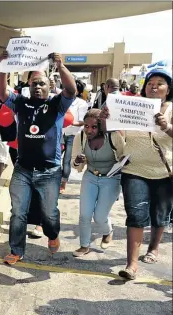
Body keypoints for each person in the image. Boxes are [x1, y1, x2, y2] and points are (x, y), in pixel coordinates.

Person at [0, 50, 76, 265]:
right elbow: (2, 93)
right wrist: (2, 67)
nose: (38, 87)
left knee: (49, 214)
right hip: (23, 169)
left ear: (50, 86)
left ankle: (53, 234)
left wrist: (60, 66)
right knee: (18, 212)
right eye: (34, 84)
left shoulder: (57, 105)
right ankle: (16, 250)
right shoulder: (21, 103)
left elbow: (71, 89)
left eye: (42, 84)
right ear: (28, 86)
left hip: (49, 171)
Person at [100, 66, 173, 280]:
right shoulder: (132, 105)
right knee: (136, 214)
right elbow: (109, 130)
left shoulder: (171, 109)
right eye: (150, 83)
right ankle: (131, 265)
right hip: (134, 169)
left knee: (160, 214)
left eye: (159, 84)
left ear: (167, 89)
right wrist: (106, 118)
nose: (153, 87)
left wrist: (167, 126)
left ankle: (153, 248)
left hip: (164, 172)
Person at [71, 109, 124, 257]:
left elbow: (124, 157)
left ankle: (108, 232)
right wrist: (77, 161)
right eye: (86, 126)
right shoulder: (80, 137)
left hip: (111, 179)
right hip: (90, 176)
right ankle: (84, 245)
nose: (89, 130)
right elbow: (75, 165)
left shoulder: (113, 136)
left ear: (101, 126)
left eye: (94, 127)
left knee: (100, 216)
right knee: (84, 214)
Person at [60, 80, 89, 193]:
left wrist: (69, 122)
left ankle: (63, 183)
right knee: (55, 159)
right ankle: (54, 180)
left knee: (66, 160)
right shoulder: (61, 100)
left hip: (73, 135)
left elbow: (82, 122)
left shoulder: (82, 104)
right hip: (60, 133)